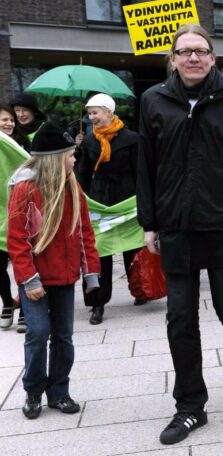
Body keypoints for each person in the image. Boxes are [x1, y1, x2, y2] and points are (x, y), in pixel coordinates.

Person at [137, 25, 223, 445]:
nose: (193, 58)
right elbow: (147, 165)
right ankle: (191, 406)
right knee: (180, 317)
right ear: (173, 59)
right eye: (185, 52)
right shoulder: (153, 100)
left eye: (201, 51)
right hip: (177, 225)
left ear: (213, 58)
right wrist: (150, 223)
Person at [6, 121, 100, 419]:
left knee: (64, 335)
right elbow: (17, 240)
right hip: (34, 279)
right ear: (55, 158)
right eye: (71, 154)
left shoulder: (73, 187)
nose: (75, 159)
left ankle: (59, 391)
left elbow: (85, 232)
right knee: (38, 332)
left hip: (65, 276)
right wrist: (28, 280)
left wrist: (91, 273)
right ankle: (33, 391)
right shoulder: (24, 190)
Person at [75, 93, 140, 324]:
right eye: (89, 113)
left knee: (134, 249)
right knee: (98, 253)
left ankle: (141, 290)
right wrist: (78, 194)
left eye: (95, 112)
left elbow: (140, 171)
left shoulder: (132, 138)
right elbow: (82, 171)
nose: (91, 117)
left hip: (127, 198)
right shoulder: (90, 141)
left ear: (109, 112)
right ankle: (97, 303)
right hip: (99, 199)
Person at [0, 103, 29, 332]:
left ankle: (26, 309)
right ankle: (7, 304)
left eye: (11, 119)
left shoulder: (23, 144)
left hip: (19, 210)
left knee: (21, 261)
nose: (9, 123)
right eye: (4, 120)